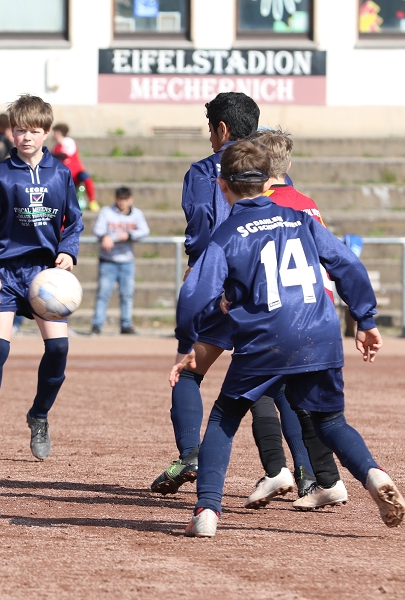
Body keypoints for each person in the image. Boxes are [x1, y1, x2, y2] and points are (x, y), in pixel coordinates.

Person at [174, 140, 405, 537]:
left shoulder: (226, 235)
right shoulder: (300, 219)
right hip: (321, 332)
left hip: (266, 339)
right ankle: (373, 474)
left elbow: (195, 294)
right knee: (331, 420)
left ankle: (207, 510)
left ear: (222, 186)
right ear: (269, 184)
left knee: (224, 417)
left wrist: (185, 344)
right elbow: (347, 263)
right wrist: (365, 319)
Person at [151, 92, 312, 507]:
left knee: (189, 370)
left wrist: (198, 267)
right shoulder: (274, 172)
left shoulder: (206, 171)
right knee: (277, 383)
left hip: (216, 282)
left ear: (221, 129)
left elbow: (204, 226)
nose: (209, 137)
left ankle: (190, 455)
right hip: (267, 285)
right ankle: (308, 472)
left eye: (210, 129)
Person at [0, 94, 84, 463]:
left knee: (59, 349)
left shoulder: (60, 173)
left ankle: (40, 415)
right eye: (20, 130)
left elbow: (74, 220)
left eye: (34, 130)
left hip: (45, 275)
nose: (26, 137)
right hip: (5, 274)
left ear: (47, 132)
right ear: (11, 132)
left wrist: (67, 248)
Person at [247, 127, 347, 510]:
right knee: (299, 396)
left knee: (253, 389)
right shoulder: (307, 202)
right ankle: (322, 477)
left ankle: (277, 469)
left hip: (276, 310)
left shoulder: (260, 203)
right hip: (317, 308)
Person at [90, 187, 149, 335]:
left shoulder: (137, 214)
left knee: (127, 294)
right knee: (103, 293)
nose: (122, 202)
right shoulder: (106, 212)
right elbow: (97, 229)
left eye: (125, 199)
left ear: (130, 199)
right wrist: (105, 237)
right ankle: (97, 324)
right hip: (108, 259)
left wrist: (127, 235)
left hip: (127, 260)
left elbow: (144, 231)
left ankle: (126, 324)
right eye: (120, 199)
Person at [51, 123, 100, 211]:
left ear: (58, 132)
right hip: (63, 174)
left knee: (86, 178)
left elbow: (64, 155)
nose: (52, 135)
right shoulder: (55, 147)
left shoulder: (68, 141)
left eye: (54, 132)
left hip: (76, 172)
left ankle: (92, 201)